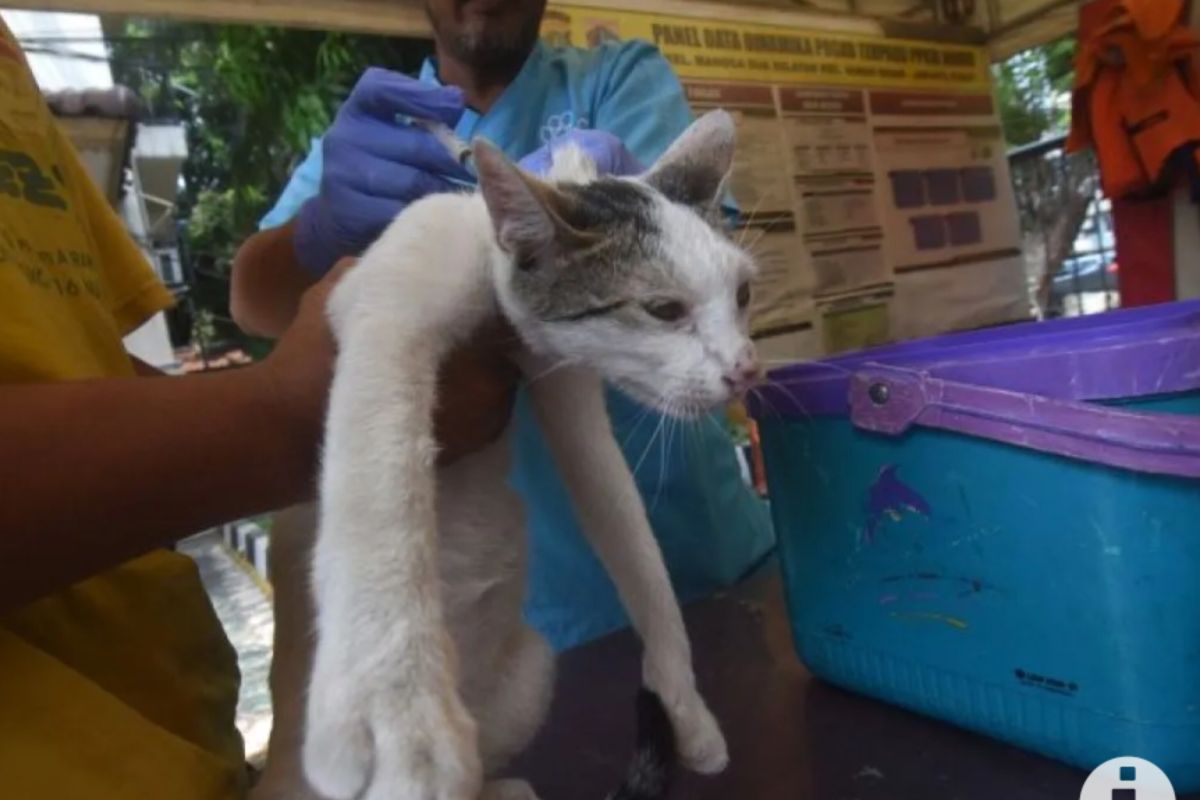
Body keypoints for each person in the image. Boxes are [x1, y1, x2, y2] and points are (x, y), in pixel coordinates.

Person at [0, 17, 514, 799]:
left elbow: (85, 365)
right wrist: (296, 410)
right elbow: (255, 296)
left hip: (183, 741)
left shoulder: (8, 52)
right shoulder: (393, 119)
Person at [233, 0, 775, 653]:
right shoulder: (379, 132)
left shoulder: (614, 77)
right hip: (519, 610)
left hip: (695, 562)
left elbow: (704, 266)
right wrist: (321, 227)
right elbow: (254, 301)